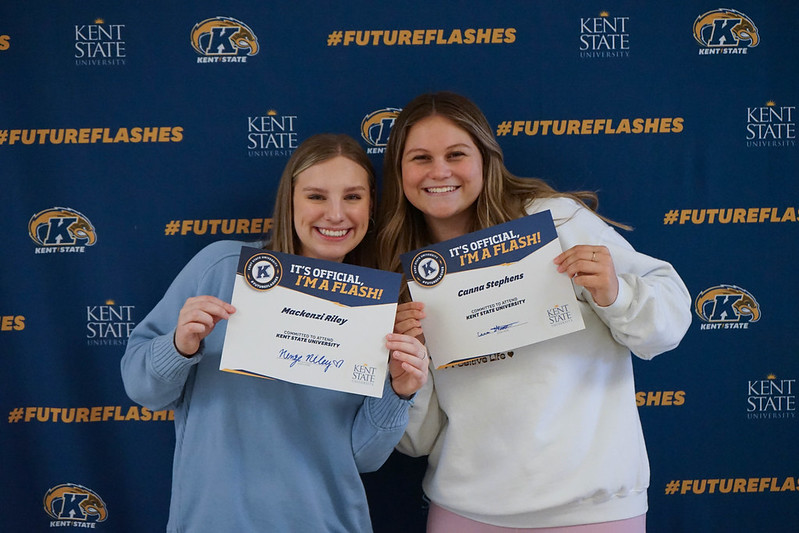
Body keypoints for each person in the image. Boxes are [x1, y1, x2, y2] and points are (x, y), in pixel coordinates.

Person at [376, 92, 692, 532]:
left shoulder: (555, 221)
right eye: (420, 158)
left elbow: (669, 324)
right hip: (466, 511)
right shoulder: (408, 274)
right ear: (398, 171)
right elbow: (420, 439)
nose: (439, 171)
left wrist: (614, 292)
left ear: (486, 158)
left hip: (592, 510)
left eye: (456, 154)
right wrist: (409, 380)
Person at [121, 133, 428, 533]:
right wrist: (178, 347)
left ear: (371, 205)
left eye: (352, 197)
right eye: (316, 196)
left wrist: (399, 392)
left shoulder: (376, 308)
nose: (335, 214)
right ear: (290, 200)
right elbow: (142, 390)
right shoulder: (222, 266)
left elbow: (362, 458)